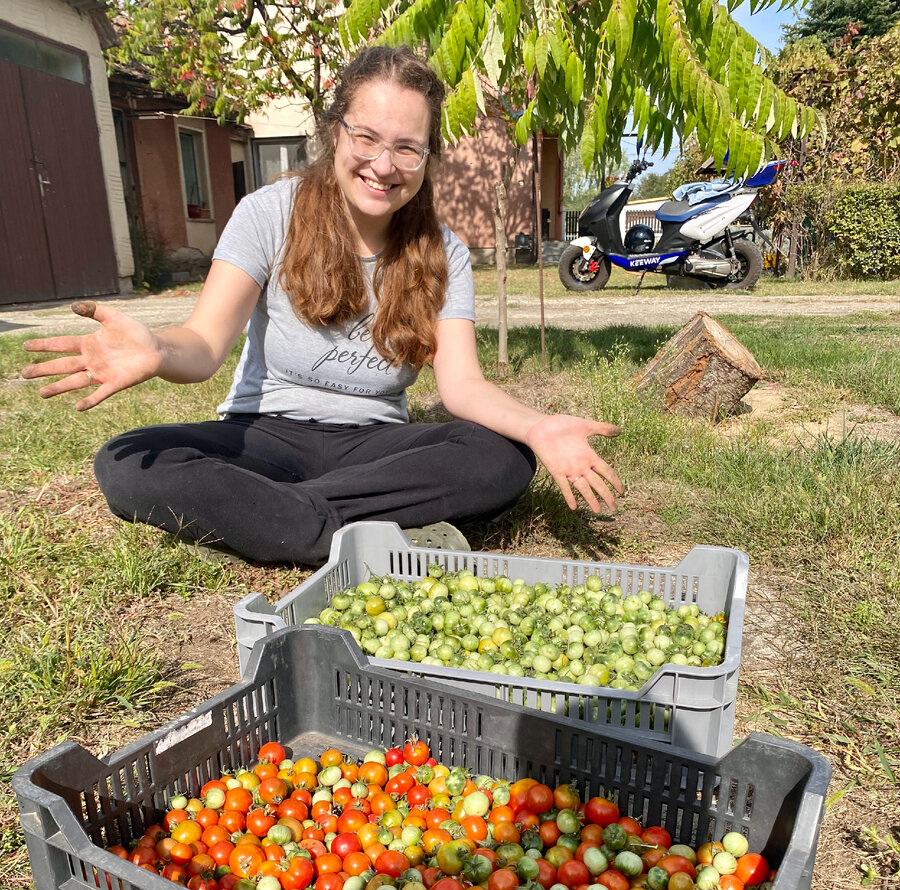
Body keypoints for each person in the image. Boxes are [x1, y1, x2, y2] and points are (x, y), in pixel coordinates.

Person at [22, 46, 623, 566]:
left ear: (427, 156)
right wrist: (157, 349)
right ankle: (371, 529)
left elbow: (462, 388)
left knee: (503, 458)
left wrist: (538, 426)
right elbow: (203, 346)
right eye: (367, 137)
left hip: (372, 446)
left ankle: (275, 520)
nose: (384, 165)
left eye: (408, 148)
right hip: (263, 435)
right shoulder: (268, 213)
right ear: (336, 131)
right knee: (126, 463)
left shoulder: (444, 251)